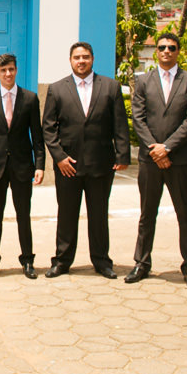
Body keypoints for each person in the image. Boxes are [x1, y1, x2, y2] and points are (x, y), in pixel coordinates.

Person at [42, 42, 129, 280]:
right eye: (77, 57)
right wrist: (59, 157)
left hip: (101, 164)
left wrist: (123, 155)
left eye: (86, 57)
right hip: (68, 166)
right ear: (70, 60)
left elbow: (119, 124)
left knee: (99, 215)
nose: (81, 61)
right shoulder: (57, 89)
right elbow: (48, 128)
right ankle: (62, 261)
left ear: (93, 59)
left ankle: (101, 261)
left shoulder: (110, 87)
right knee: (67, 215)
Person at [128, 33, 187, 287]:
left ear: (178, 51)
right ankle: (141, 263)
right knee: (147, 214)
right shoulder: (143, 81)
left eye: (172, 47)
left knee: (185, 212)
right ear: (156, 52)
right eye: (162, 48)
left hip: (179, 160)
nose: (167, 51)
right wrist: (155, 150)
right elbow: (138, 118)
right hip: (150, 160)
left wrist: (168, 148)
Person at [0, 53, 45, 280]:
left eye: (11, 69)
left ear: (16, 70)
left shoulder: (30, 98)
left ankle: (27, 261)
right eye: (3, 70)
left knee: (23, 215)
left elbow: (37, 135)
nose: (8, 74)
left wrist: (40, 165)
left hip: (22, 166)